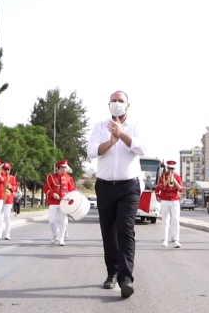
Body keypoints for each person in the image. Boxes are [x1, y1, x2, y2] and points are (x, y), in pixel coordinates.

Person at [87, 90, 146, 298]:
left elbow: (142, 149)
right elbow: (92, 151)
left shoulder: (136, 126)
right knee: (108, 231)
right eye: (113, 101)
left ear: (128, 105)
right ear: (108, 104)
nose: (117, 103)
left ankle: (126, 278)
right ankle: (112, 272)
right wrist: (111, 141)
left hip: (129, 186)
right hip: (104, 186)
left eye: (121, 101)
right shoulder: (100, 127)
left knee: (125, 229)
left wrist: (122, 135)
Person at [43, 159, 75, 246]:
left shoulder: (69, 178)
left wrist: (71, 201)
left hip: (64, 203)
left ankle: (61, 239)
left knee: (63, 221)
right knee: (52, 220)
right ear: (59, 168)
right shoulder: (50, 177)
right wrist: (52, 194)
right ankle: (55, 234)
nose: (66, 169)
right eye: (64, 167)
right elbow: (46, 189)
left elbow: (72, 190)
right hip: (53, 202)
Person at [155, 160, 183, 248]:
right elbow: (159, 188)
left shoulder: (177, 177)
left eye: (172, 169)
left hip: (175, 200)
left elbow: (180, 189)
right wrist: (167, 181)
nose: (171, 170)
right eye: (169, 168)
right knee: (165, 221)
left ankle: (176, 240)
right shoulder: (162, 176)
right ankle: (165, 239)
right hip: (165, 200)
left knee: (175, 220)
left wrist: (174, 181)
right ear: (167, 168)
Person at [0, 162, 19, 240]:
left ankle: (7, 233)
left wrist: (11, 187)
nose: (7, 171)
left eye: (8, 169)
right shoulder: (1, 177)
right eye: (5, 169)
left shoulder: (12, 178)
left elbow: (16, 188)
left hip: (8, 198)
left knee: (7, 216)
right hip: (0, 198)